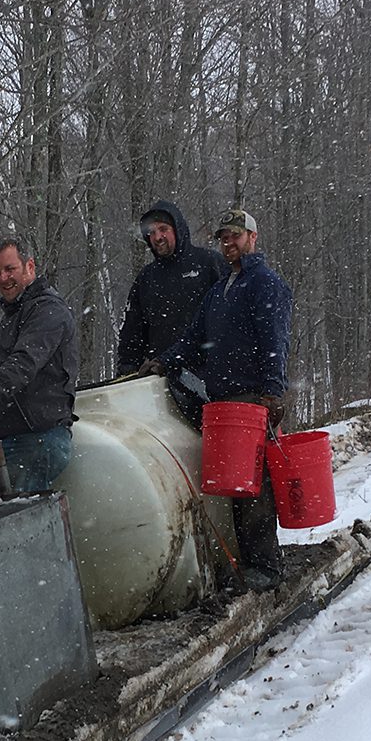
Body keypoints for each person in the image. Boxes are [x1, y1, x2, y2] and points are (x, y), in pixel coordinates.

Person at [140, 208, 293, 592]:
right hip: (222, 398)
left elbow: (276, 341)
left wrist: (273, 390)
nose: (229, 243)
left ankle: (266, 566)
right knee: (235, 484)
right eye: (224, 238)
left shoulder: (263, 283)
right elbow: (195, 340)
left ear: (252, 238)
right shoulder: (221, 289)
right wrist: (163, 361)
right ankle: (247, 561)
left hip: (252, 395)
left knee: (254, 485)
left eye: (236, 236)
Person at [0, 237, 79, 494]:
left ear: (30, 267)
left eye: (10, 269)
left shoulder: (48, 310)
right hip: (14, 441)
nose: (3, 278)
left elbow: (23, 364)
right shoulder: (16, 314)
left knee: (19, 524)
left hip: (37, 438)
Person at [115, 200, 219, 376]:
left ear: (178, 229)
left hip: (208, 373)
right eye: (151, 232)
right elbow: (132, 332)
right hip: (159, 376)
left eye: (163, 229)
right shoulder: (146, 278)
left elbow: (229, 320)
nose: (157, 237)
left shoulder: (209, 264)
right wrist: (127, 369)